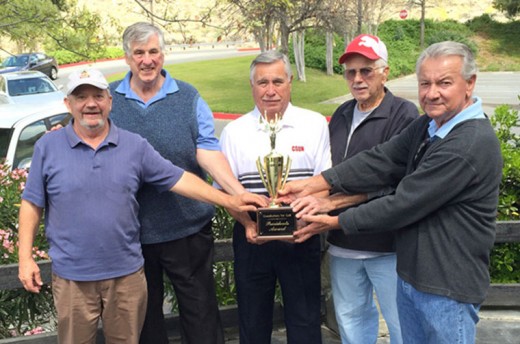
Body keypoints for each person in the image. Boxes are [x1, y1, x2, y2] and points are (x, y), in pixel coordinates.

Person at [17, 68, 267, 344]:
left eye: (98, 96)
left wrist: (230, 199)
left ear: (110, 101)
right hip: (73, 276)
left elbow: (179, 179)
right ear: (68, 104)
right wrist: (25, 258)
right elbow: (31, 203)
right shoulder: (48, 146)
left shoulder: (134, 146)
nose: (90, 104)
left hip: (125, 275)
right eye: (81, 97)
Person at [279, 41, 502, 343]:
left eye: (444, 83)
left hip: (447, 287)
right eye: (425, 83)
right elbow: (381, 158)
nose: (431, 92)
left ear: (470, 83)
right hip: (414, 277)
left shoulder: (468, 143)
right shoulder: (429, 125)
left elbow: (403, 203)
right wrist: (313, 184)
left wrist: (333, 220)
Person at [108, 22, 250, 344]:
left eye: (154, 52)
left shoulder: (188, 96)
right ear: (127, 58)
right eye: (139, 53)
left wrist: (237, 193)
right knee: (144, 319)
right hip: (133, 232)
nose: (147, 60)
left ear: (163, 54)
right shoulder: (108, 99)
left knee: (200, 313)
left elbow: (208, 151)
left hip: (187, 227)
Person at [218, 50, 331, 343]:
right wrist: (246, 223)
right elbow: (226, 193)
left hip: (301, 235)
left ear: (290, 82)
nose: (270, 91)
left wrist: (306, 222)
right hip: (251, 235)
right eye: (262, 82)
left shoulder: (315, 124)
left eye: (277, 81)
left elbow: (326, 183)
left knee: (305, 320)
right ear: (252, 86)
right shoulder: (233, 132)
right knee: (252, 322)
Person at [321, 34, 418, 344]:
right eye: (351, 72)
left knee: (401, 323)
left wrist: (334, 202)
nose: (358, 78)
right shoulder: (341, 114)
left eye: (367, 70)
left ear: (385, 72)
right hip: (342, 244)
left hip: (387, 246)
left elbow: (397, 182)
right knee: (351, 321)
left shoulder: (404, 114)